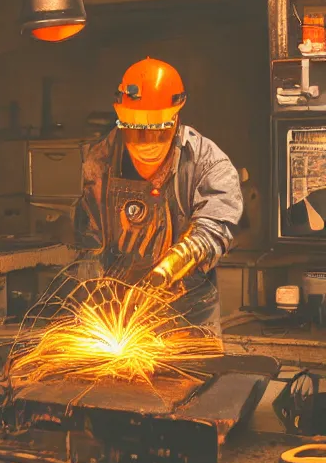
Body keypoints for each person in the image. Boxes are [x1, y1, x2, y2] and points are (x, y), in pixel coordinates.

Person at [74, 57, 244, 336]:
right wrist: (94, 300)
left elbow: (215, 231)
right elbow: (89, 239)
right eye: (135, 128)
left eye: (156, 129)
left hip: (188, 319)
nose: (145, 142)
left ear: (175, 117)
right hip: (116, 318)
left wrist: (170, 268)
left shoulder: (208, 163)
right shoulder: (99, 160)